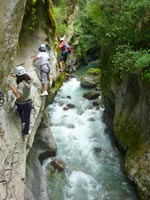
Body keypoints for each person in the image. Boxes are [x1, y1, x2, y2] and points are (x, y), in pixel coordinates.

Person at [9, 66, 32, 136]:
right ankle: (26, 131)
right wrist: (13, 75)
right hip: (29, 102)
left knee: (20, 110)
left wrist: (12, 88)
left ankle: (22, 120)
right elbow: (20, 75)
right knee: (28, 118)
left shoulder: (20, 85)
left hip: (21, 103)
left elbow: (18, 95)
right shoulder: (28, 79)